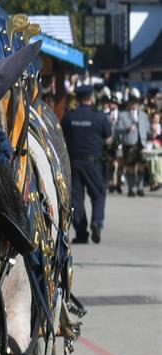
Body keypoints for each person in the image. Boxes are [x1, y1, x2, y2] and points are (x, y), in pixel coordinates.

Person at [62, 85, 114, 244]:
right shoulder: (99, 117)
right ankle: (97, 222)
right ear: (91, 97)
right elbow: (109, 138)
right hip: (94, 163)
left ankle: (82, 233)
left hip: (75, 162)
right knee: (98, 194)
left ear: (77, 98)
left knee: (76, 199)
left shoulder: (69, 116)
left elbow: (62, 137)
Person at [115, 93, 151, 197]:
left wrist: (150, 133)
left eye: (136, 103)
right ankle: (131, 189)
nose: (134, 105)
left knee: (141, 166)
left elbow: (147, 129)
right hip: (129, 144)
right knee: (130, 167)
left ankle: (140, 188)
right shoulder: (123, 115)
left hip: (141, 143)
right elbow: (117, 129)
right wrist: (127, 129)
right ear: (129, 104)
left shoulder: (143, 115)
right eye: (132, 103)